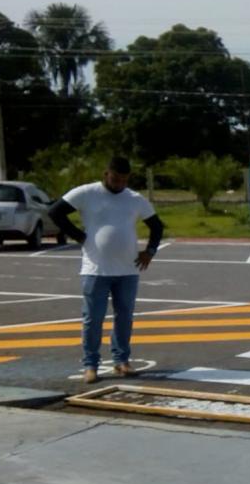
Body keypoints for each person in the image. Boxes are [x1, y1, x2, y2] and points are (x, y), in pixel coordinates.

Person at [49, 156, 164, 384]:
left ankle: (121, 361)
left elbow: (156, 225)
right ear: (106, 174)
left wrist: (149, 251)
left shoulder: (135, 199)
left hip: (127, 271)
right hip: (96, 269)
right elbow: (55, 212)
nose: (119, 183)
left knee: (124, 317)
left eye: (124, 180)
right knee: (93, 318)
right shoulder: (86, 193)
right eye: (115, 178)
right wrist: (79, 235)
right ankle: (91, 364)